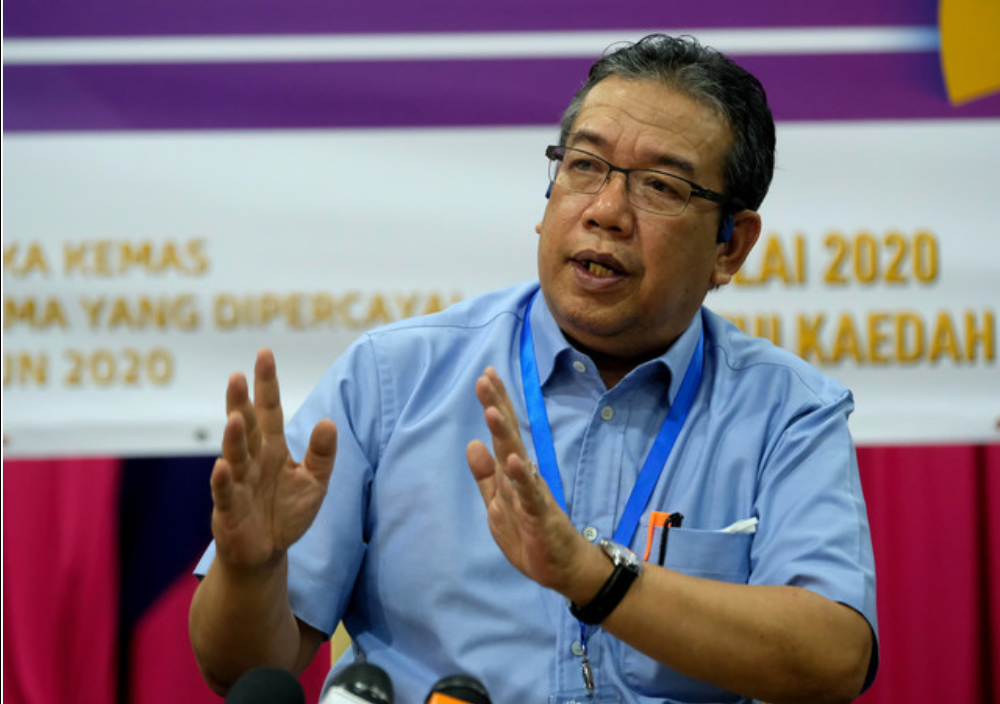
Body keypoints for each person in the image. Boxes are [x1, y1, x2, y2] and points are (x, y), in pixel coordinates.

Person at [189, 34, 878, 704]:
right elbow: (243, 670)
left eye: (661, 187)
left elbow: (833, 658)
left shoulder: (787, 410)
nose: (606, 212)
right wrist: (252, 570)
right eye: (584, 166)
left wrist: (595, 579)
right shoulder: (393, 380)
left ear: (731, 245)